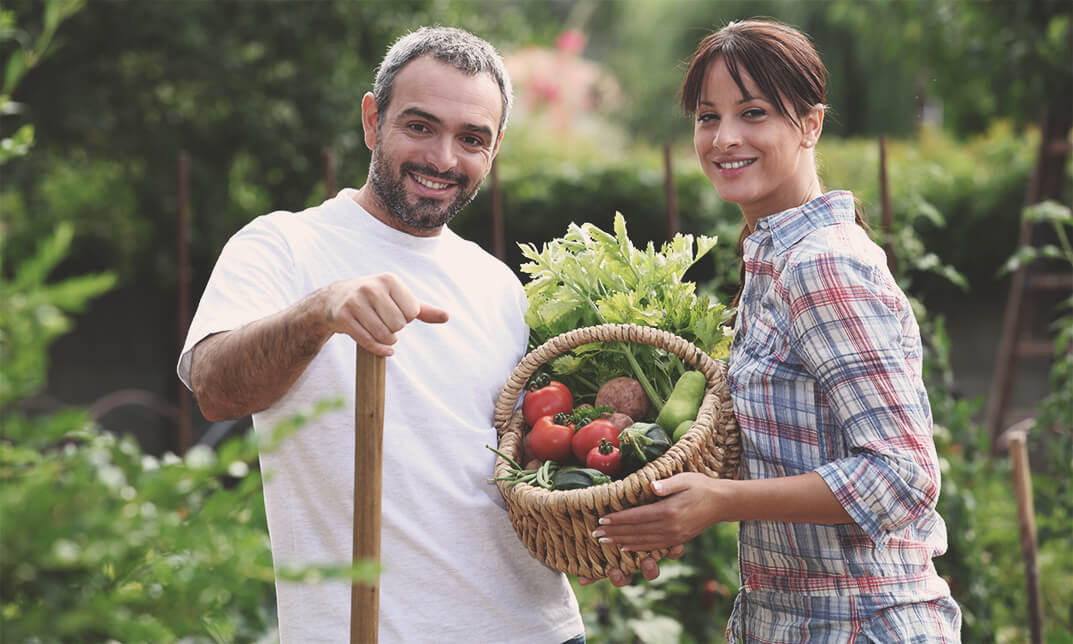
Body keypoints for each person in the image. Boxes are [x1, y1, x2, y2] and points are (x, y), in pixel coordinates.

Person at [177, 27, 587, 643]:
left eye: (470, 139)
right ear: (373, 121)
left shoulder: (499, 283)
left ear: (494, 148)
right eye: (419, 126)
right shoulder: (282, 245)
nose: (443, 159)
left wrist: (605, 526)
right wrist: (318, 313)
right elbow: (215, 389)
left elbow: (524, 465)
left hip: (538, 628)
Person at [589, 19, 963, 642]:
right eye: (708, 117)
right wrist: (660, 513)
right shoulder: (772, 260)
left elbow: (903, 475)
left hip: (859, 623)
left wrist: (721, 501)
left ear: (811, 124)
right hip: (789, 621)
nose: (724, 138)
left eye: (754, 112)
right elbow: (786, 455)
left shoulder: (821, 263)